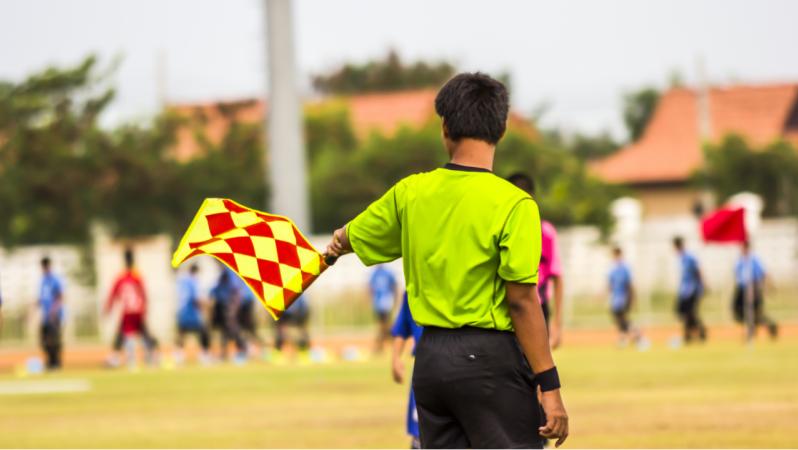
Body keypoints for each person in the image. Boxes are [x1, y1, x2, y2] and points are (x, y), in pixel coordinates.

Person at [326, 72, 568, 448]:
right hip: (489, 361)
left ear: (445, 128)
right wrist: (549, 386)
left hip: (431, 362)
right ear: (501, 129)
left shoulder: (410, 192)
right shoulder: (515, 204)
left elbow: (347, 237)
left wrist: (330, 250)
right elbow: (521, 300)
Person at [508, 173, 564, 349]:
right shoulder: (499, 232)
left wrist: (557, 323)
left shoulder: (545, 232)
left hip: (537, 308)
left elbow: (557, 277)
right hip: (506, 310)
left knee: (536, 367)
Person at [104, 248, 159, 367]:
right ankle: (151, 358)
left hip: (127, 312)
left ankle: (129, 359)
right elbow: (144, 294)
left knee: (125, 334)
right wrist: (145, 308)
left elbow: (113, 294)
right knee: (144, 334)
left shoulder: (120, 277)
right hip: (138, 310)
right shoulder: (137, 276)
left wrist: (108, 308)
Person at [391, 292, 423, 449]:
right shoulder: (413, 288)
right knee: (420, 436)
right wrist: (396, 358)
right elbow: (402, 327)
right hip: (424, 368)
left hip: (461, 362)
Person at [733, 241, 778, 339]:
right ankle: (755, 328)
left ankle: (765, 328)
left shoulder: (754, 259)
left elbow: (763, 274)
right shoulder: (740, 261)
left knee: (755, 312)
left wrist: (767, 287)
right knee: (740, 311)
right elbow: (738, 275)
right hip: (742, 289)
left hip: (753, 287)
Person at [607, 247, 645, 347]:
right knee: (619, 319)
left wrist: (632, 298)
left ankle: (635, 335)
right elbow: (610, 285)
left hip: (623, 298)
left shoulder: (625, 268)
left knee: (622, 319)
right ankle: (627, 337)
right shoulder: (613, 270)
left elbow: (630, 284)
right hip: (615, 299)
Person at [175, 263, 211, 364]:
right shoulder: (193, 281)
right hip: (191, 312)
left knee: (181, 333)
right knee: (204, 332)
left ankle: (178, 355)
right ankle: (205, 355)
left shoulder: (182, 281)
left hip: (182, 312)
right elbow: (196, 299)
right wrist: (206, 306)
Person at [673, 236, 707, 343]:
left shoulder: (690, 257)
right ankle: (694, 332)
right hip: (684, 291)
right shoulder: (681, 258)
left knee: (690, 312)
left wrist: (703, 284)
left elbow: (698, 270)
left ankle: (692, 334)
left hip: (693, 289)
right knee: (682, 312)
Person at [209, 266, 247, 361]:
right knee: (226, 329)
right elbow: (218, 288)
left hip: (228, 303)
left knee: (231, 328)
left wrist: (233, 303)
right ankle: (226, 353)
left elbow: (234, 287)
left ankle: (241, 349)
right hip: (224, 304)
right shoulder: (225, 271)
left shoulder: (228, 271)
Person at [38, 257, 64, 370]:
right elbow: (42, 298)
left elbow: (60, 296)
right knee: (44, 339)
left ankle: (56, 363)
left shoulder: (55, 279)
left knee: (54, 340)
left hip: (55, 315)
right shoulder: (43, 281)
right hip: (45, 316)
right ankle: (49, 361)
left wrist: (54, 310)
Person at [369, 264, 399, 354]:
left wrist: (395, 299)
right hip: (377, 304)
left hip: (386, 302)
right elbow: (370, 288)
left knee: (383, 325)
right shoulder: (374, 273)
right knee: (383, 326)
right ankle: (389, 344)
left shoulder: (388, 273)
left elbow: (394, 285)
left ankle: (380, 346)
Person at [273, 294, 311, 360]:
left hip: (300, 311)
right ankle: (277, 354)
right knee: (280, 331)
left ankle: (304, 354)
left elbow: (302, 308)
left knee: (301, 332)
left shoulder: (299, 300)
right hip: (283, 310)